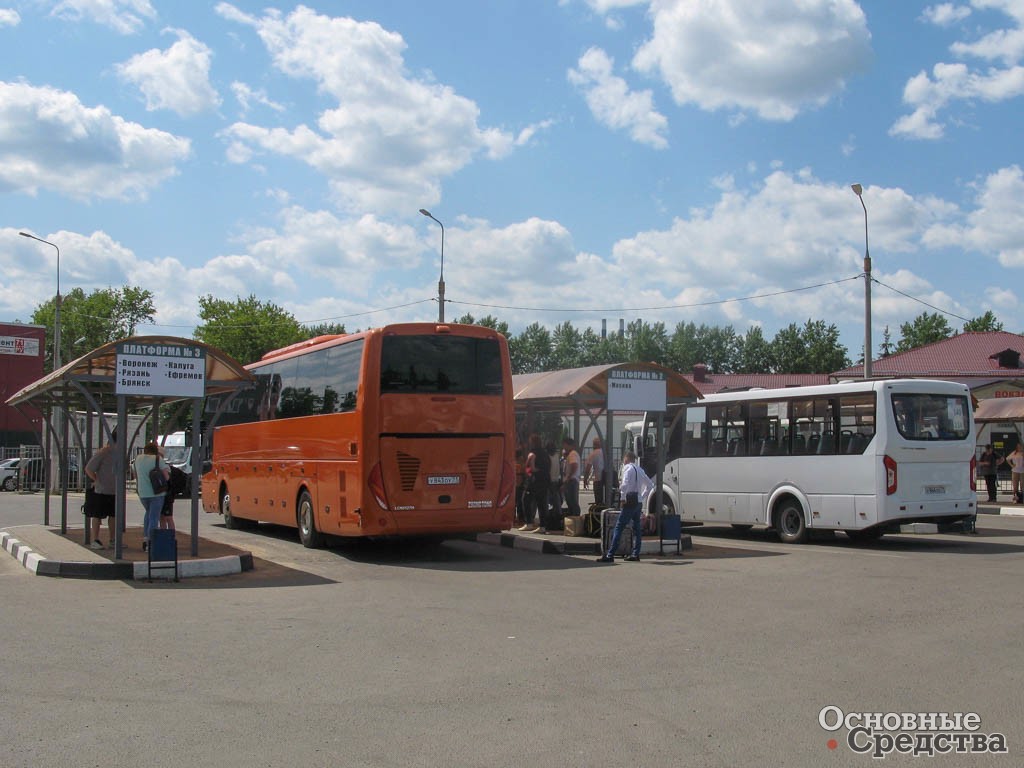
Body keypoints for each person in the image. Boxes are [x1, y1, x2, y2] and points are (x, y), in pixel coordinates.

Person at [598, 451, 653, 562]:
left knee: (619, 526)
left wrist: (623, 498)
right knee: (637, 528)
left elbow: (625, 485)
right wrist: (641, 497)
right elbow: (650, 484)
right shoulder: (640, 470)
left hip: (629, 502)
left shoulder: (627, 468)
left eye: (624, 459)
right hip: (638, 502)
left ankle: (610, 554)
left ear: (626, 458)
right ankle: (635, 553)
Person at [83, 430, 118, 549]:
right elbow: (88, 468)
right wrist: (96, 479)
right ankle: (95, 540)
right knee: (97, 515)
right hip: (101, 490)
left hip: (115, 490)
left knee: (113, 516)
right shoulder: (103, 452)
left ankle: (113, 539)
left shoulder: (120, 454)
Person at [133, 441, 169, 551]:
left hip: (142, 493)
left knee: (148, 513)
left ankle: (145, 538)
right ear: (156, 451)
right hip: (157, 493)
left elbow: (135, 475)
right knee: (154, 517)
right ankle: (150, 542)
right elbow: (166, 477)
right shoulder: (158, 459)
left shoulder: (137, 459)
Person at [562, 436, 581, 520]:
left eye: (565, 445)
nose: (564, 447)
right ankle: (574, 517)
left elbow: (574, 465)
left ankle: (575, 518)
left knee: (572, 501)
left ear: (569, 445)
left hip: (572, 480)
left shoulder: (572, 454)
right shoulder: (571, 454)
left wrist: (568, 477)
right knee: (570, 501)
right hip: (572, 480)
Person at [583, 437, 605, 508]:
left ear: (594, 445)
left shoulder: (593, 454)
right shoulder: (606, 453)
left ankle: (599, 514)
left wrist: (585, 480)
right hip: (607, 480)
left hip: (598, 480)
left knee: (598, 502)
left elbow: (587, 469)